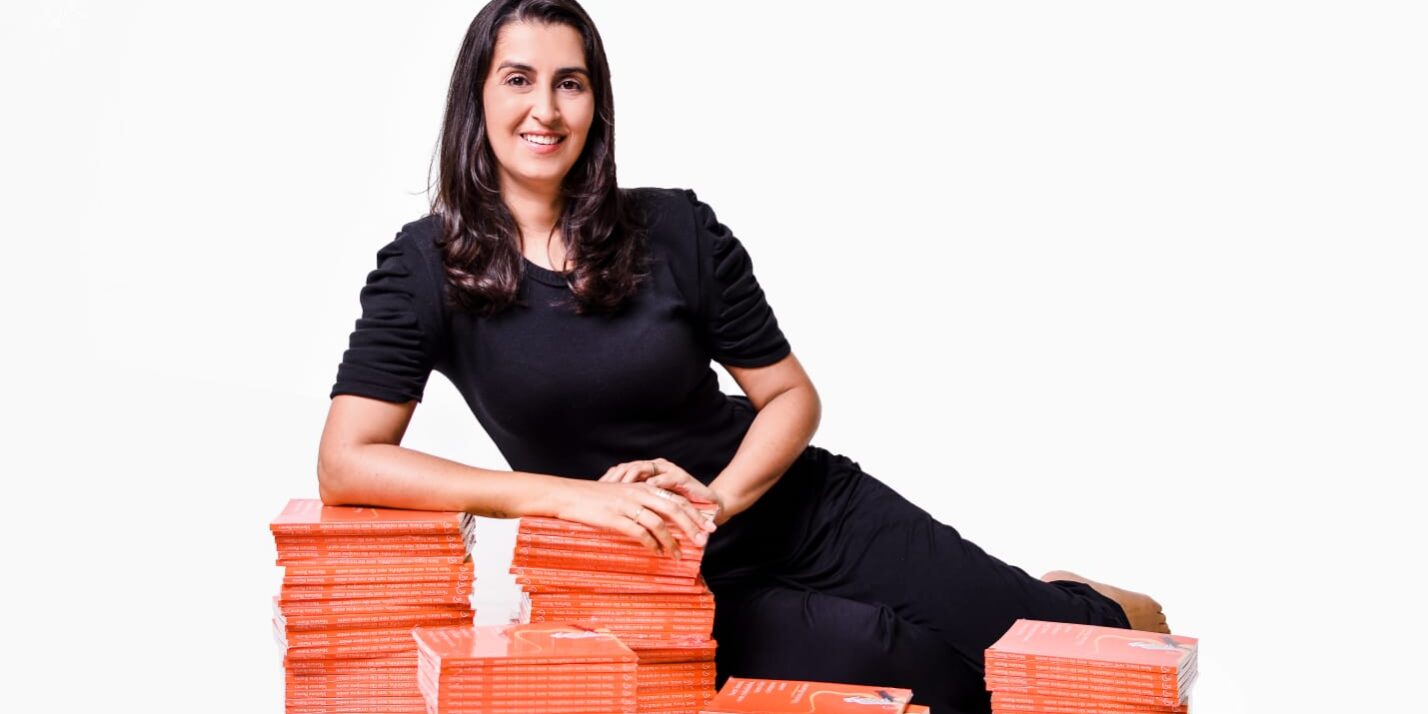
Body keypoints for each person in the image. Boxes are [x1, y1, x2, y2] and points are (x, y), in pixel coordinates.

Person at [317, 1, 1170, 712]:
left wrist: (715, 502)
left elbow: (791, 396)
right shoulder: (423, 270)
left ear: (595, 104)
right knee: (925, 671)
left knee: (1051, 649)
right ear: (476, 95)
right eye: (518, 79)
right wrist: (568, 499)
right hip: (670, 586)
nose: (545, 109)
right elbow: (347, 461)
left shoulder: (676, 229)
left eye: (569, 83)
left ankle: (1072, 597)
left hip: (800, 506)